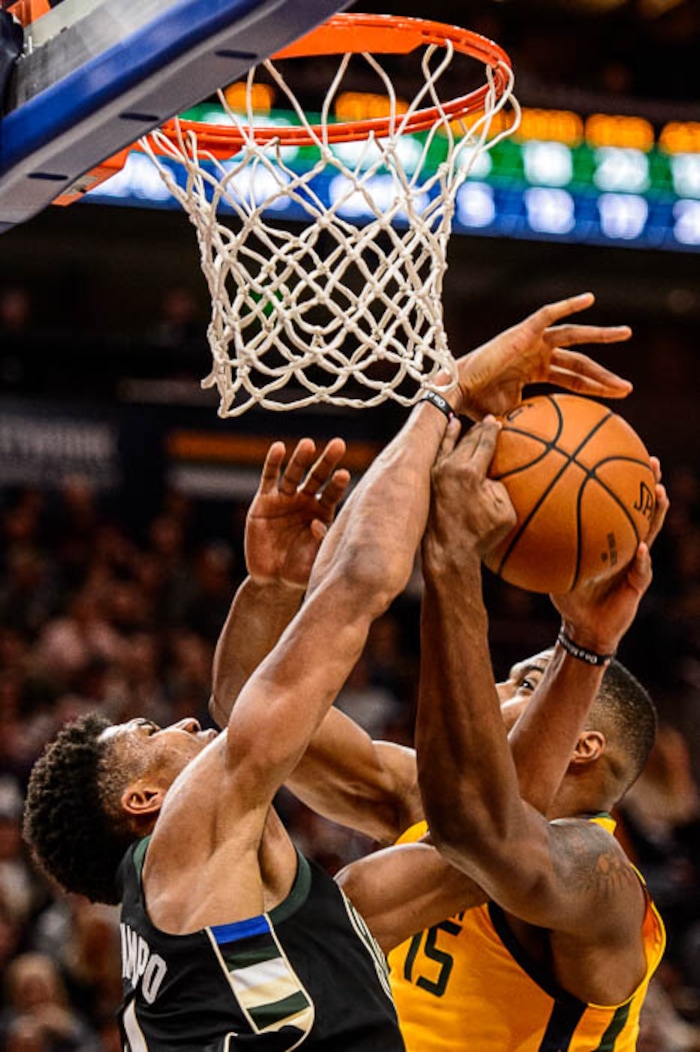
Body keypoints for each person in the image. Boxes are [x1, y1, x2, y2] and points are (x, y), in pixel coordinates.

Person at [23, 292, 635, 1051]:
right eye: (148, 732)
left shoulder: (294, 925)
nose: (181, 723)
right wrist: (445, 398)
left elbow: (488, 840)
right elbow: (360, 587)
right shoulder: (177, 843)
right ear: (147, 800)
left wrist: (272, 592)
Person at [408, 416, 667, 1049]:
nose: (494, 693)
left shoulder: (597, 874)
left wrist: (455, 554)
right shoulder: (419, 797)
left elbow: (487, 832)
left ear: (584, 744)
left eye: (524, 685)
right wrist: (275, 587)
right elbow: (253, 711)